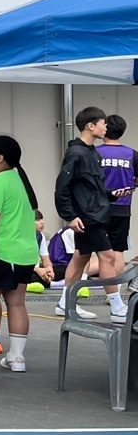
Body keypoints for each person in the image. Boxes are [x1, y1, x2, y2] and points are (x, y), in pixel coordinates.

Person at [56, 106, 125, 323]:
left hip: (94, 214)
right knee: (108, 257)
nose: (106, 127)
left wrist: (111, 194)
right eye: (103, 123)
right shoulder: (76, 153)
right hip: (88, 217)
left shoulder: (92, 153)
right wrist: (69, 215)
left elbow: (92, 187)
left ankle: (65, 303)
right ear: (90, 126)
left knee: (81, 257)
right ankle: (117, 307)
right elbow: (62, 187)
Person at [0, 135, 40, 371]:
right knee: (16, 304)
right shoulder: (19, 179)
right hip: (25, 253)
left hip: (3, 252)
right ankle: (16, 358)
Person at [97, 113, 134, 305]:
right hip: (122, 208)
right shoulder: (132, 154)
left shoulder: (95, 153)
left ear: (105, 130)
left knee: (97, 252)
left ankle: (111, 294)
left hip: (97, 209)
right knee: (118, 251)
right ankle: (114, 292)